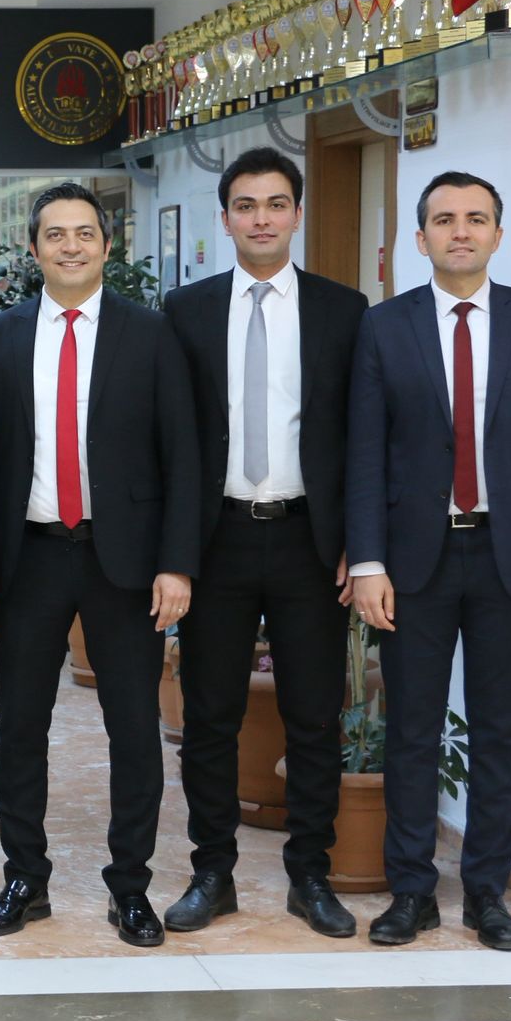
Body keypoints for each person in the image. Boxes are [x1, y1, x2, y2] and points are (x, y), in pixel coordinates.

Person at [347, 171, 511, 951]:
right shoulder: (384, 327)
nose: (461, 231)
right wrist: (368, 563)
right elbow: (365, 452)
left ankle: (486, 893)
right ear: (420, 239)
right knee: (411, 732)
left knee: (499, 732)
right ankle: (411, 891)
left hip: (510, 561)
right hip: (413, 562)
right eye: (445, 219)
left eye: (476, 218)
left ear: (497, 235)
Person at [0, 182, 198, 947]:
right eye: (55, 234)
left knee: (133, 729)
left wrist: (176, 564)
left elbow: (183, 455)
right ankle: (24, 879)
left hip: (124, 563)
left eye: (84, 233)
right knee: (20, 728)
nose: (70, 246)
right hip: (29, 558)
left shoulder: (151, 334)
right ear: (33, 248)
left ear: (106, 245)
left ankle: (130, 887)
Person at [161, 149, 367, 939]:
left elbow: (361, 438)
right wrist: (174, 556)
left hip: (309, 539)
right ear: (225, 219)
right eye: (245, 205)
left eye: (276, 204)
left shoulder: (344, 311)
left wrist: (358, 543)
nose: (261, 218)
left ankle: (309, 874)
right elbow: (171, 443)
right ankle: (211, 872)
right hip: (216, 540)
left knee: (313, 717)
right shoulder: (185, 311)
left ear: (297, 214)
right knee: (210, 717)